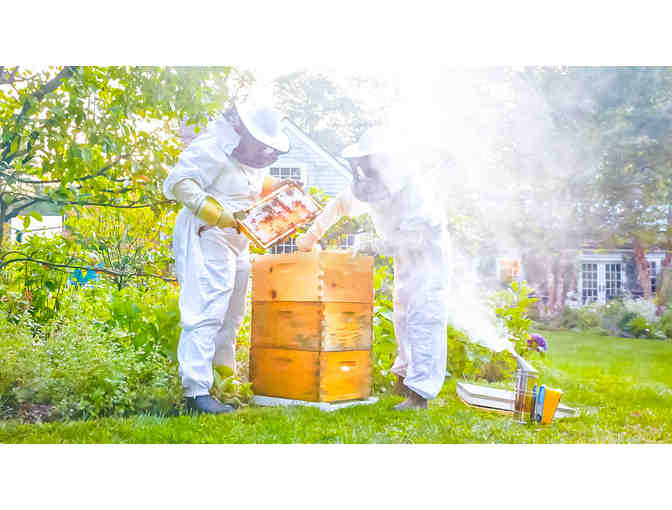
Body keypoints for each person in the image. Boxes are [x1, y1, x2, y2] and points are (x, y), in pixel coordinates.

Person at [296, 127, 449, 410]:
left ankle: (421, 395)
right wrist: (311, 236)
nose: (364, 167)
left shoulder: (414, 192)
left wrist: (374, 245)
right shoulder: (371, 183)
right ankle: (404, 380)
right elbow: (340, 205)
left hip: (428, 259)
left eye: (369, 161)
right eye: (362, 162)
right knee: (402, 316)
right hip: (405, 260)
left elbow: (416, 239)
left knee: (423, 317)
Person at [163, 102, 292, 414]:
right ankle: (196, 391)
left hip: (238, 240)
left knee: (232, 315)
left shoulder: (249, 161)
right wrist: (218, 215)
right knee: (207, 309)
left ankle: (222, 383)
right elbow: (179, 183)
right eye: (260, 142)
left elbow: (246, 186)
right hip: (207, 235)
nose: (263, 150)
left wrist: (281, 188)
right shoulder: (211, 147)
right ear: (244, 132)